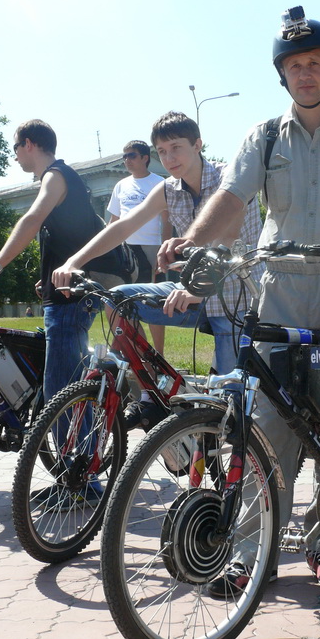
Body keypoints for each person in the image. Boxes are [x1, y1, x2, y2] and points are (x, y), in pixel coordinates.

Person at [159, 7, 320, 592]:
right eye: (295, 65)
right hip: (280, 295)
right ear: (283, 75)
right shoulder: (264, 136)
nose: (306, 73)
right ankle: (253, 551)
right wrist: (192, 244)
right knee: (269, 424)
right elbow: (231, 199)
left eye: (315, 63)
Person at [52, 111, 262, 427]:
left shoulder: (228, 180)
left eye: (176, 147)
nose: (169, 157)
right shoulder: (168, 189)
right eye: (162, 151)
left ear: (198, 145)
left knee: (230, 405)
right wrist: (73, 262)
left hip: (238, 301)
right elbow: (122, 227)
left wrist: (192, 288)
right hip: (188, 294)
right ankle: (153, 392)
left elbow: (227, 240)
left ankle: (233, 458)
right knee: (118, 298)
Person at [0, 120, 116, 412]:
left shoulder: (56, 176)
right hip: (64, 294)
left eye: (15, 148)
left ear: (28, 144)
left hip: (69, 300)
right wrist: (46, 277)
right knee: (64, 386)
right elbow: (69, 236)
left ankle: (74, 458)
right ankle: (75, 452)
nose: (15, 155)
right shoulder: (62, 177)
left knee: (61, 391)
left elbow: (31, 219)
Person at [107, 140, 169, 353]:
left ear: (145, 158)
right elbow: (114, 220)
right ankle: (137, 353)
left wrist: (165, 250)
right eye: (124, 157)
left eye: (132, 155)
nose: (127, 160)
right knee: (124, 303)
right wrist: (107, 248)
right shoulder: (121, 185)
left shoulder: (159, 182)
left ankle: (159, 354)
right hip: (126, 250)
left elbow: (167, 220)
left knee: (153, 303)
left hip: (152, 248)